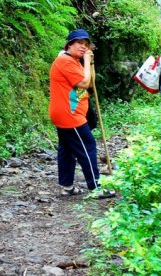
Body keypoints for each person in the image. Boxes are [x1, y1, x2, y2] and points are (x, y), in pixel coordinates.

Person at [49, 29, 115, 199]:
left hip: (66, 112)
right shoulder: (65, 61)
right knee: (88, 146)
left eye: (86, 44)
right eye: (79, 43)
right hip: (69, 114)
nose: (83, 47)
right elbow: (85, 83)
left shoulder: (74, 61)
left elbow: (90, 82)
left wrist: (89, 63)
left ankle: (67, 187)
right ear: (69, 45)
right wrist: (86, 60)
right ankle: (95, 187)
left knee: (67, 149)